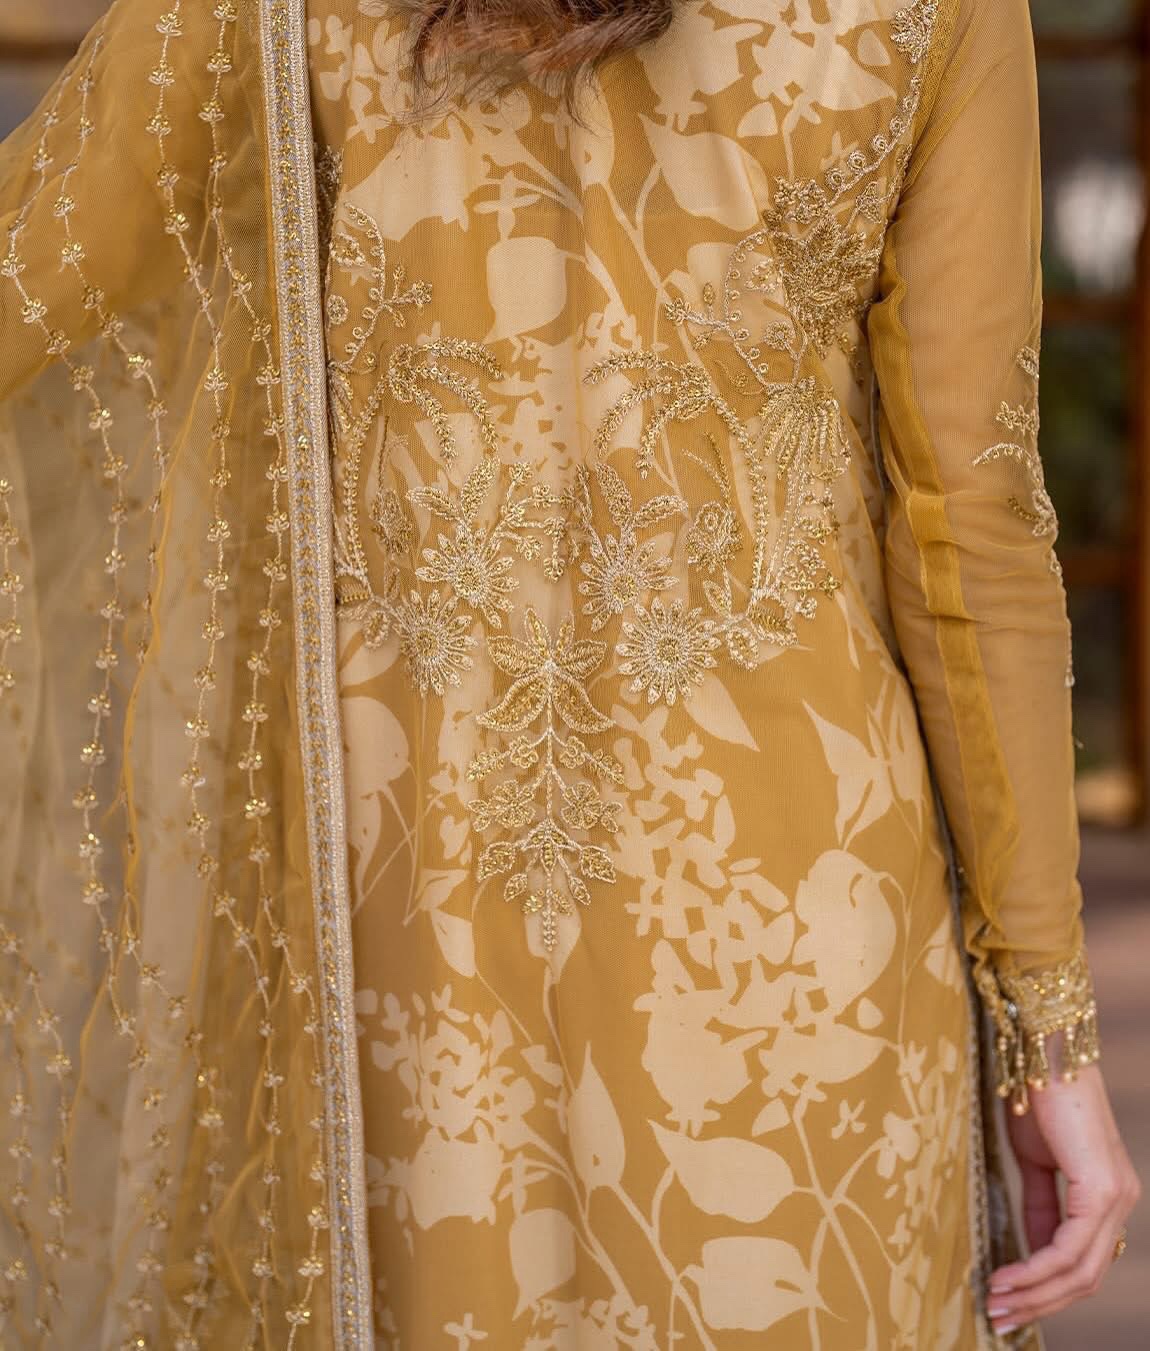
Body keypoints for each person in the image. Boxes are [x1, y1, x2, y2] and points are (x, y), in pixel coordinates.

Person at [0, 0, 1139, 1345]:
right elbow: (970, 524)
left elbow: (36, 285)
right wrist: (1046, 1028)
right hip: (796, 937)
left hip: (397, 920)